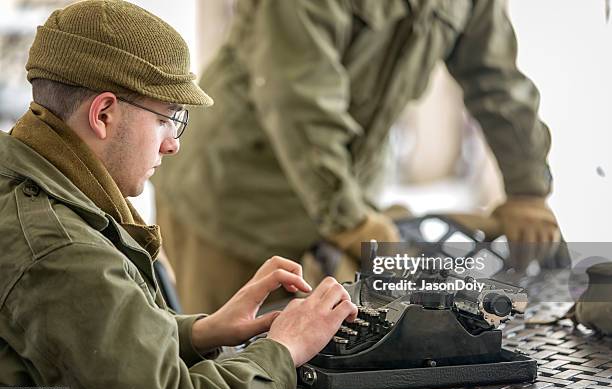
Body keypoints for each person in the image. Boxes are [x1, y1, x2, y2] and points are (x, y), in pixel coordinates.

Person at [0, 1, 358, 389]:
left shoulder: (28, 179)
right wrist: (284, 348)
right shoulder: (63, 250)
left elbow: (90, 355)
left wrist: (198, 333)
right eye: (167, 117)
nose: (173, 144)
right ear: (103, 115)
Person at [154, 0, 561, 314]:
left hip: (343, 194)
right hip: (237, 199)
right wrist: (351, 220)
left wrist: (528, 191)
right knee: (235, 367)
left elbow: (497, 79)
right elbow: (300, 101)